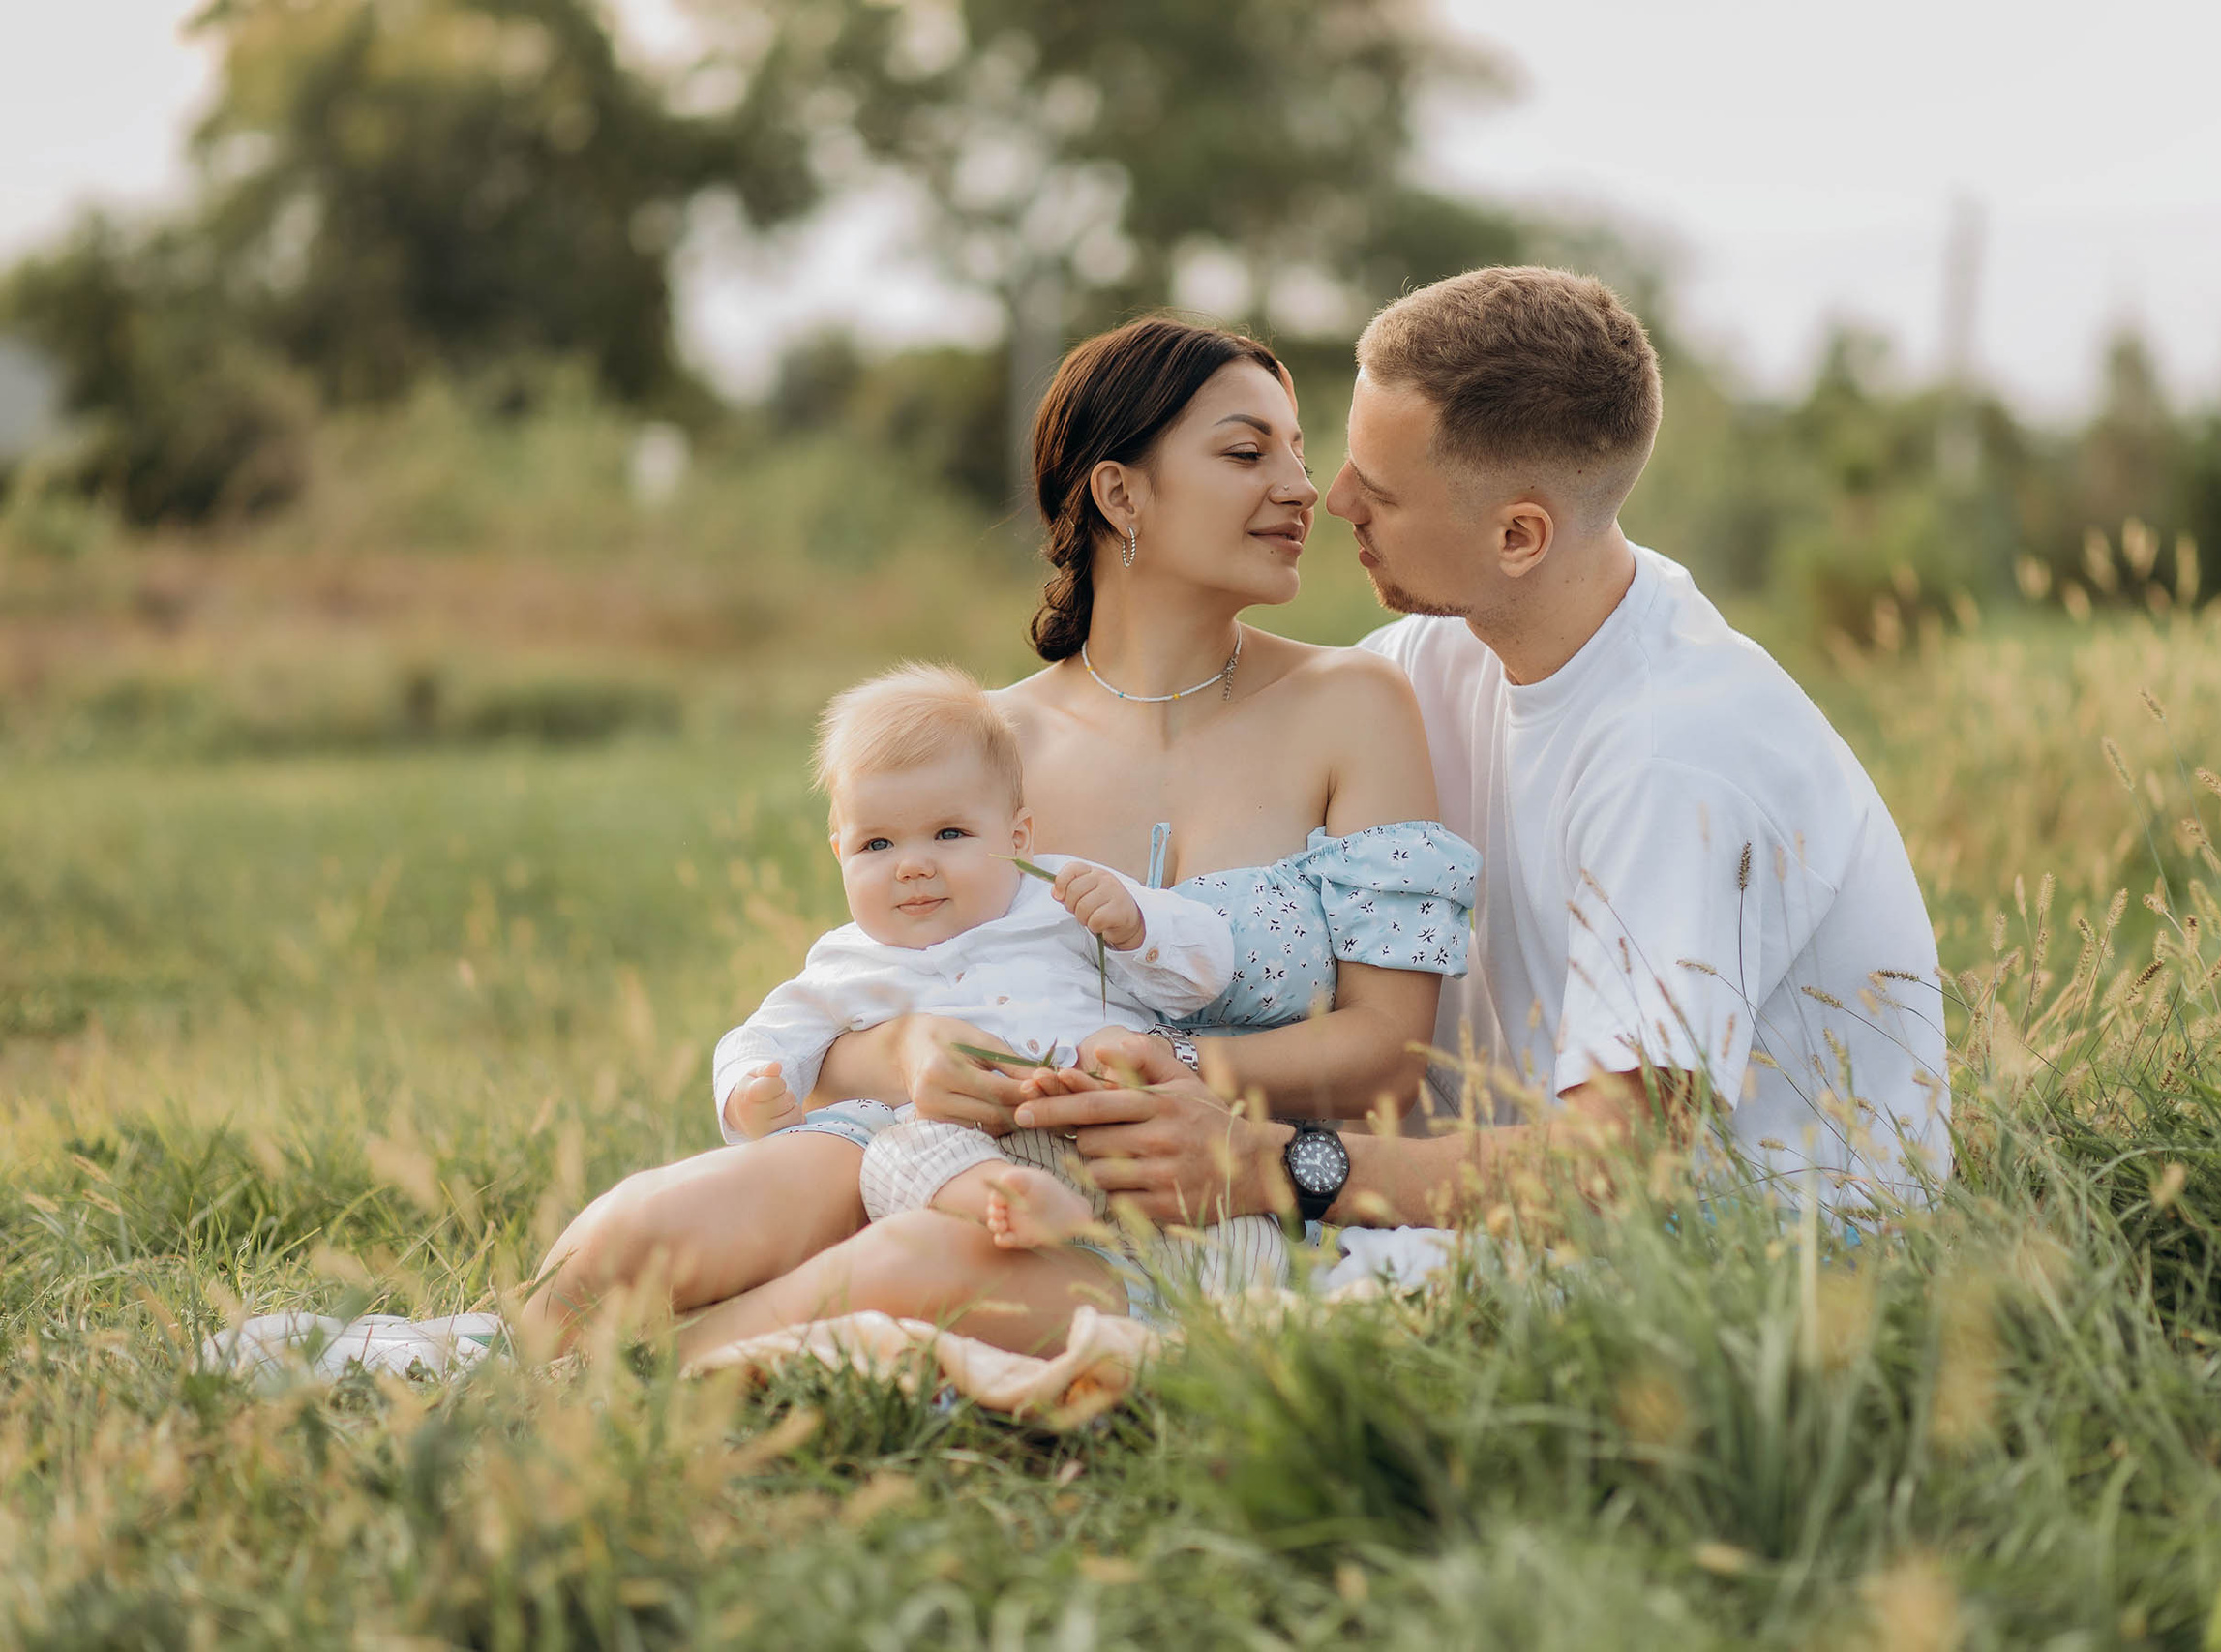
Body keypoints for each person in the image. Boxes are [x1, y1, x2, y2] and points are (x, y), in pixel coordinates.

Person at [516, 316, 1479, 1363]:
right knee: (640, 1230)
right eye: (1250, 453)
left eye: (1297, 450)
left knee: (914, 1270)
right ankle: (523, 1380)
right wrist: (907, 1051)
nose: (1302, 487)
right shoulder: (985, 741)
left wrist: (1173, 1063)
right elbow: (851, 986)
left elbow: (1394, 1053)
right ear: (1119, 495)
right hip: (931, 1146)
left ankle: (618, 1404)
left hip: (1190, 1199)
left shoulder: (1355, 705)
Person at [1010, 267, 1950, 1239]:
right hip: (1489, 1223)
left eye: (1377, 490)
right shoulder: (1444, 656)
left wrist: (1268, 1166)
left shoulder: (1676, 756)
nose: (1327, 500)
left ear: (1517, 535)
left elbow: (1615, 1167)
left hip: (1749, 1268)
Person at [709, 659, 1286, 1313]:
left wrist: (1137, 923)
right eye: (877, 844)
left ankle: (1231, 1321)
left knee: (1235, 1229)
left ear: (1018, 836)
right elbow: (763, 1035)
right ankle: (1010, 1200)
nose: (913, 864)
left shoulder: (1062, 892)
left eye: (949, 833)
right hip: (977, 1147)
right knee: (894, 1155)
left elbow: (1206, 970)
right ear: (838, 849)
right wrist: (751, 1088)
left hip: (1120, 1133)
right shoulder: (848, 961)